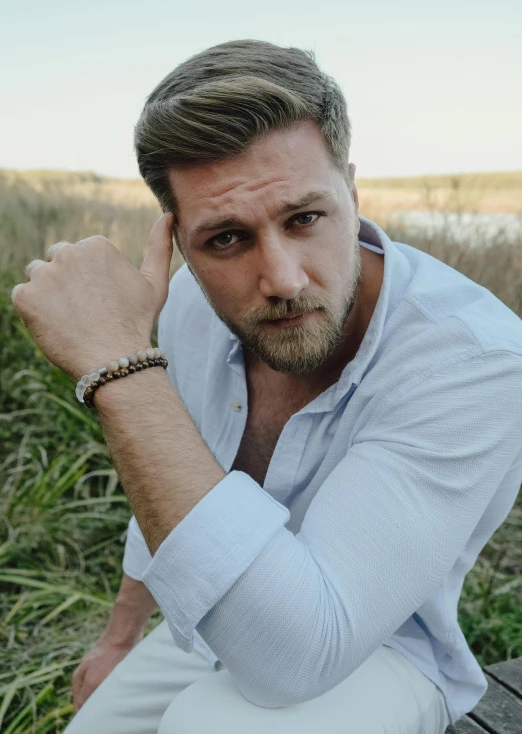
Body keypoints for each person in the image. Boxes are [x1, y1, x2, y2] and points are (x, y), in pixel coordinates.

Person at [13, 40, 522, 734]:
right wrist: (119, 633)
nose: (281, 278)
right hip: (215, 615)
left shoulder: (472, 359)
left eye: (304, 217)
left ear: (351, 189)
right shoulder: (190, 306)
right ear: (177, 243)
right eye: (226, 238)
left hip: (376, 651)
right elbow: (163, 475)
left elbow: (298, 657)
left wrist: (122, 366)